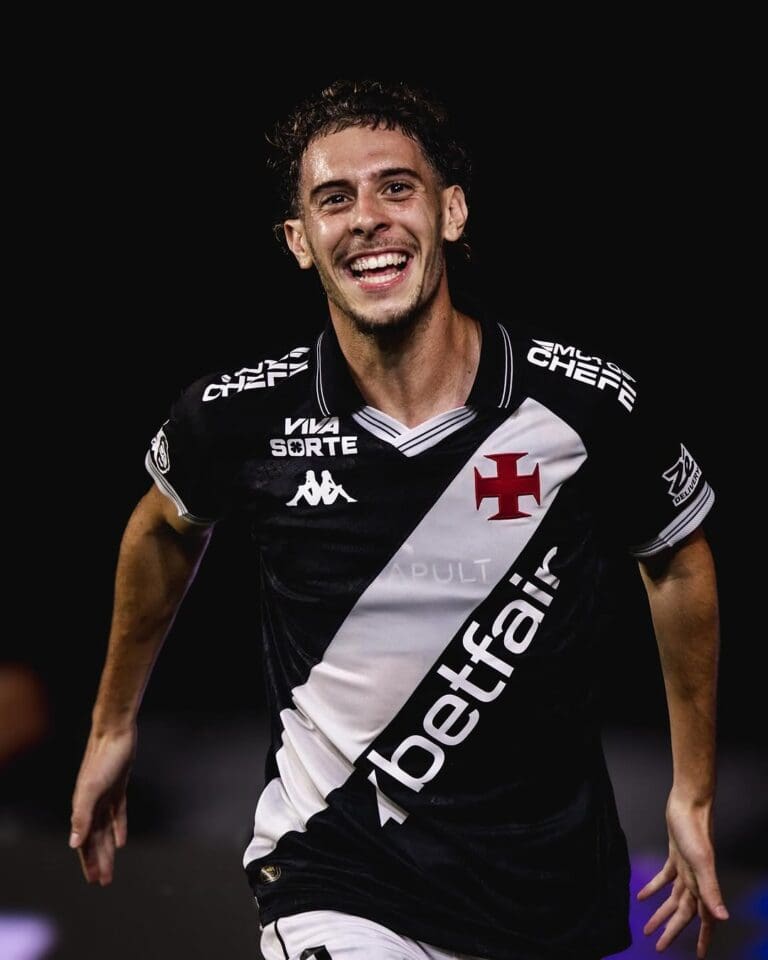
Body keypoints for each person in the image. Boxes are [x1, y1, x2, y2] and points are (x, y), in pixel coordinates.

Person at [69, 80, 728, 960]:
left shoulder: (581, 404)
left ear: (451, 212)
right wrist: (114, 725)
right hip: (334, 868)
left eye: (397, 188)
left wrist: (692, 790)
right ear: (300, 243)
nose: (368, 218)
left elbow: (678, 561)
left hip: (546, 886)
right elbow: (160, 532)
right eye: (334, 199)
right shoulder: (238, 417)